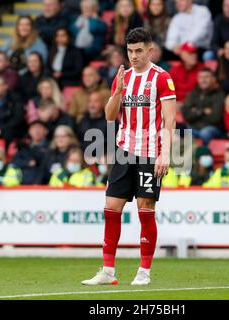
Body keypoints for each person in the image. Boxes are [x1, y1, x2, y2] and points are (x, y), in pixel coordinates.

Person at [82, 28, 176, 286]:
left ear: (150, 50)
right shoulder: (122, 77)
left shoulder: (162, 78)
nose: (133, 56)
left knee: (145, 209)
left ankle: (144, 271)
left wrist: (164, 153)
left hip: (149, 153)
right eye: (129, 51)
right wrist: (117, 92)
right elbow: (110, 116)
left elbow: (170, 119)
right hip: (124, 152)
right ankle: (108, 271)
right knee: (111, 207)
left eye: (138, 51)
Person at [181, 68, 225, 145]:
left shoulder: (219, 95)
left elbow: (216, 118)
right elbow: (186, 115)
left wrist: (195, 111)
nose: (203, 80)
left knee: (205, 132)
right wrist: (203, 111)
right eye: (201, 77)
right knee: (179, 131)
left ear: (213, 79)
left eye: (206, 77)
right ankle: (187, 156)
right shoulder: (193, 93)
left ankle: (205, 155)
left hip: (213, 128)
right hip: (193, 127)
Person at [11, 120, 49, 185]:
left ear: (46, 131)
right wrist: (28, 163)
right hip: (22, 185)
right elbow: (14, 161)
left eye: (39, 128)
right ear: (29, 131)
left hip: (43, 186)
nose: (37, 131)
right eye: (34, 128)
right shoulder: (23, 147)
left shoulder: (51, 147)